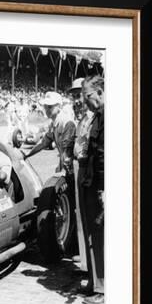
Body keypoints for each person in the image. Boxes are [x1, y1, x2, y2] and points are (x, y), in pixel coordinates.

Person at [80, 75, 105, 304]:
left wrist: (105, 188)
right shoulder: (98, 115)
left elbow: (104, 157)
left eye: (88, 96)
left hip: (99, 186)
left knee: (100, 237)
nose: (85, 101)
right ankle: (95, 283)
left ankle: (103, 288)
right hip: (91, 183)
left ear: (100, 91)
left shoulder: (107, 116)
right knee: (93, 235)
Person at [70, 77, 94, 273]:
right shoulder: (83, 118)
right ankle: (87, 265)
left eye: (78, 95)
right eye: (73, 96)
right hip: (80, 166)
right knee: (82, 218)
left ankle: (93, 269)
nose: (76, 100)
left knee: (89, 218)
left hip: (88, 169)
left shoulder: (93, 117)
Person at [23, 91, 76, 174]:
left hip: (74, 168)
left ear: (59, 106)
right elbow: (43, 143)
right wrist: (27, 154)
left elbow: (68, 152)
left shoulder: (66, 122)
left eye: (50, 107)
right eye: (45, 107)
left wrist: (62, 170)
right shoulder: (53, 123)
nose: (47, 110)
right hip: (66, 166)